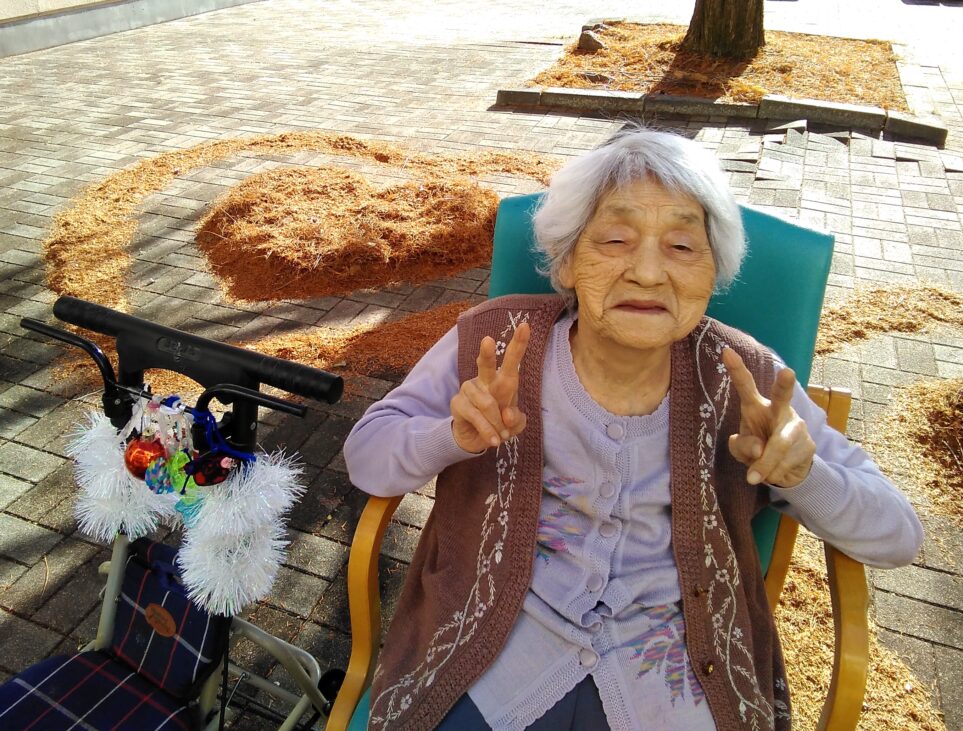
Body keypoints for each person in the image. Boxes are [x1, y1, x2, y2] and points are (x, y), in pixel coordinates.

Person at [343, 129, 923, 731]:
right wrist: (450, 437)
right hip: (492, 650)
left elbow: (898, 537)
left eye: (682, 246)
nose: (647, 273)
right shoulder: (494, 343)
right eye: (615, 240)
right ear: (567, 261)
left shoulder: (747, 379)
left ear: (713, 272)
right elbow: (366, 459)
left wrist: (804, 476)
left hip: (679, 676)